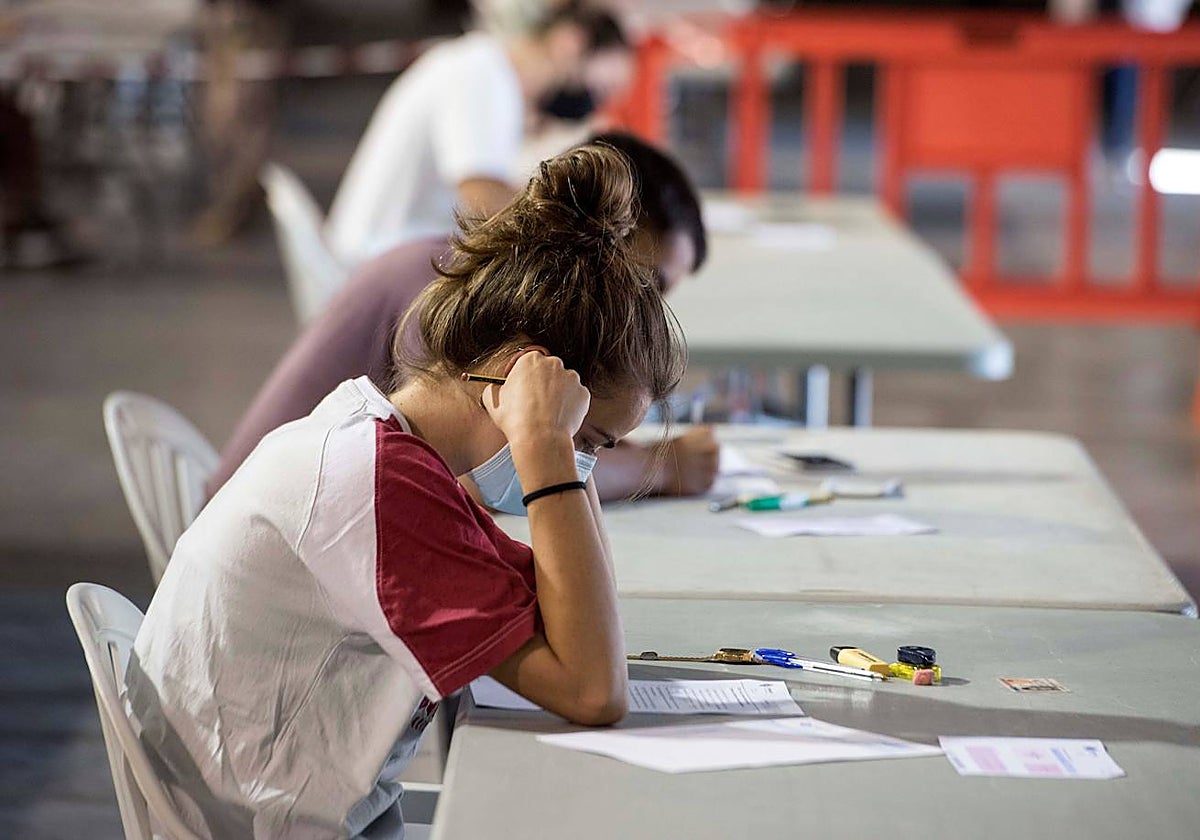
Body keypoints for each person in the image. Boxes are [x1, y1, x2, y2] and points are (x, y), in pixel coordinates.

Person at [126, 142, 684, 838]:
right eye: (590, 439)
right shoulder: (383, 488)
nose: (587, 467)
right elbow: (594, 690)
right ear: (519, 382)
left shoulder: (390, 449)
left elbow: (560, 616)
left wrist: (558, 449)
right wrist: (546, 447)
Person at [209, 132, 717, 501]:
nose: (648, 308)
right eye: (649, 284)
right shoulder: (453, 297)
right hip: (278, 519)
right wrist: (656, 467)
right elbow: (480, 484)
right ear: (604, 241)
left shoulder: (480, 270)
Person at [325, 1, 632, 268]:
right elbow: (482, 196)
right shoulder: (483, 75)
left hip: (388, 257)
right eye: (597, 90)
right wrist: (571, 232)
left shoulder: (486, 69)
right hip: (377, 264)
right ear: (570, 43)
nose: (593, 104)